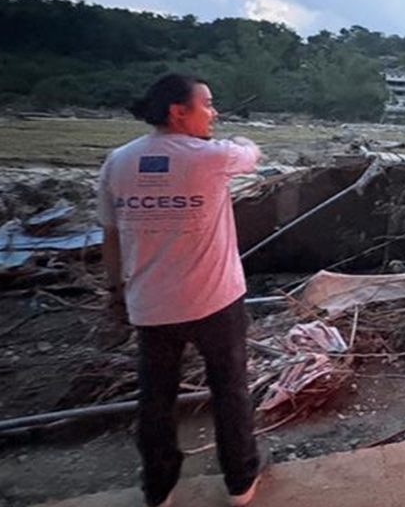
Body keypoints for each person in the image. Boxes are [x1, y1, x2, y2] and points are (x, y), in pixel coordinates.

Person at [98, 73, 268, 507]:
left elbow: (111, 237)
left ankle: (159, 488)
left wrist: (116, 291)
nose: (213, 112)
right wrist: (241, 139)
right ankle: (240, 482)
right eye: (206, 104)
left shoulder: (118, 161)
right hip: (216, 301)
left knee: (156, 399)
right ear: (178, 111)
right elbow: (252, 154)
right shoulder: (211, 157)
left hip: (150, 305)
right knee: (230, 390)